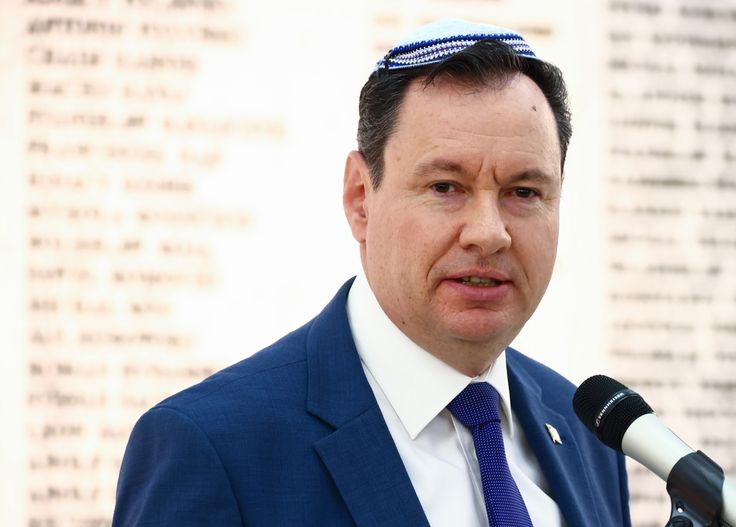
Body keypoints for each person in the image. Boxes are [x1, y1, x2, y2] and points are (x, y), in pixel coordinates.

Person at [113, 19, 632, 526]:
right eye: (445, 187)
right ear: (361, 199)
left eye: (524, 192)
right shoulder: (217, 448)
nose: (488, 232)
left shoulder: (591, 431)